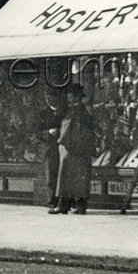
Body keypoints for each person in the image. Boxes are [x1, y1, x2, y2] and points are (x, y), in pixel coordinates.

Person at [53, 84, 97, 214]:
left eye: (70, 94)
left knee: (68, 177)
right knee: (77, 178)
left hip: (72, 149)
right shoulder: (79, 111)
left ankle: (66, 205)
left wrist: (61, 139)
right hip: (77, 148)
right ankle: (77, 205)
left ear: (76, 96)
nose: (68, 97)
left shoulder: (77, 111)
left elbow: (71, 130)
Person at [41, 89, 67, 213]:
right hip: (49, 148)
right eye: (47, 98)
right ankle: (52, 202)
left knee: (63, 176)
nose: (49, 100)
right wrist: (47, 132)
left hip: (64, 148)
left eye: (51, 98)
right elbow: (35, 132)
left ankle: (63, 202)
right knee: (51, 176)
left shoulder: (65, 112)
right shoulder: (43, 114)